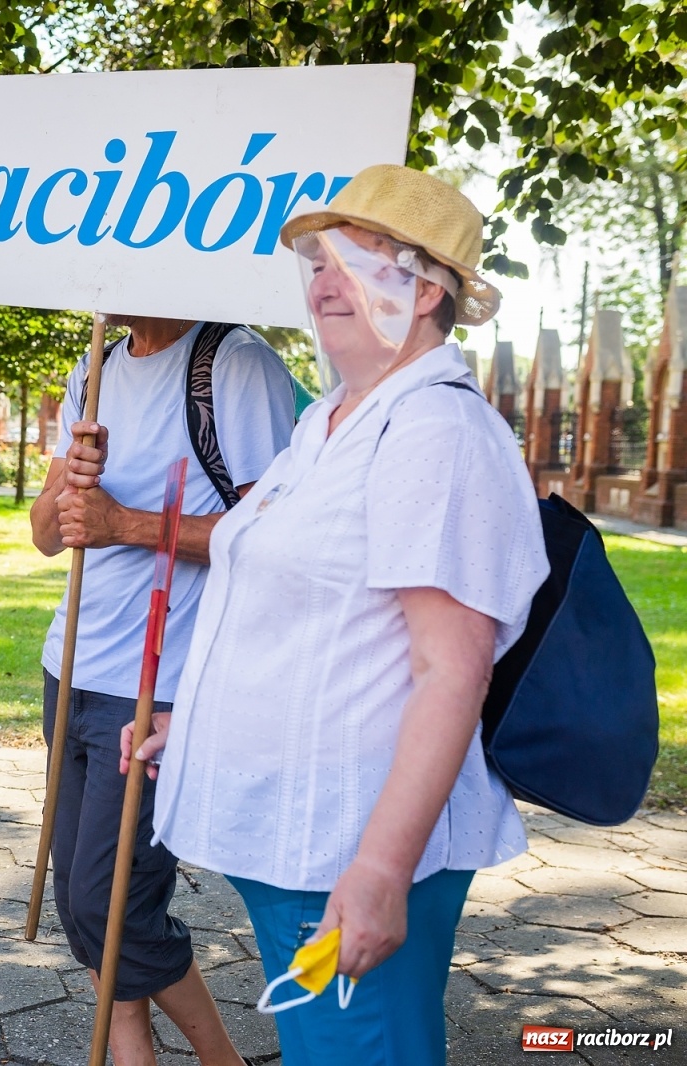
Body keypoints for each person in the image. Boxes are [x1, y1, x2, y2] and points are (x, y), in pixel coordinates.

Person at [132, 165, 548, 1066]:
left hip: (344, 848)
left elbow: (452, 671)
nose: (323, 279)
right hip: (297, 843)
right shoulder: (333, 417)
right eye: (316, 261)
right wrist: (194, 725)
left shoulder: (432, 431)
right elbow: (309, 611)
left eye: (356, 260)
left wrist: (381, 870)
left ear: (429, 286)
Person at [29, 311, 298, 1066]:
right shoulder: (97, 365)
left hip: (160, 685)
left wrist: (126, 523)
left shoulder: (233, 365)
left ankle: (224, 1062)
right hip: (71, 666)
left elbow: (278, 540)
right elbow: (48, 534)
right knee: (81, 911)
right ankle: (132, 1056)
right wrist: (69, 488)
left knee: (111, 906)